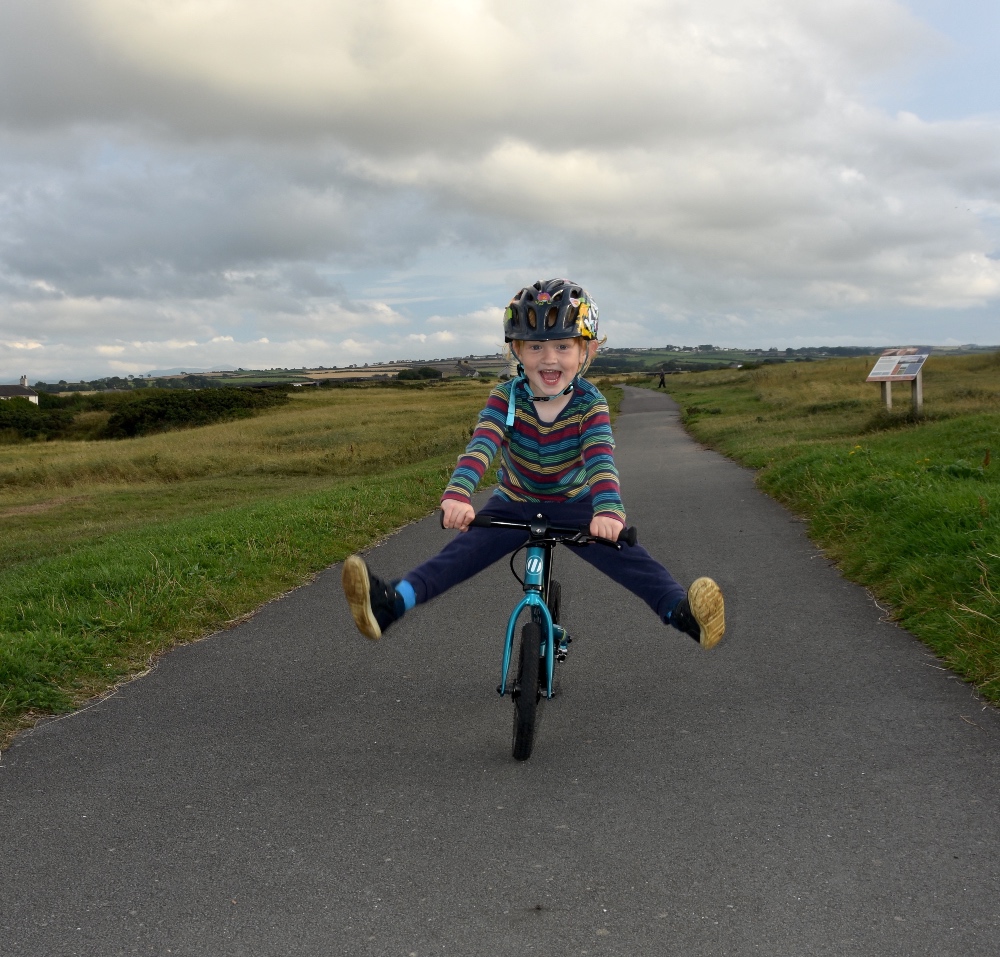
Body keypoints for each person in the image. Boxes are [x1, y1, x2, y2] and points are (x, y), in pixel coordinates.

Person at [341, 278, 725, 649]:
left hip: (574, 504)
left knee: (627, 556)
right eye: (536, 347)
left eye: (562, 346)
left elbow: (600, 459)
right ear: (517, 352)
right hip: (513, 501)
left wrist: (607, 511)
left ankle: (683, 613)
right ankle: (392, 603)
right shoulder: (505, 398)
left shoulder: (590, 405)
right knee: (460, 554)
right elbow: (482, 446)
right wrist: (457, 495)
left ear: (586, 352)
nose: (549, 358)